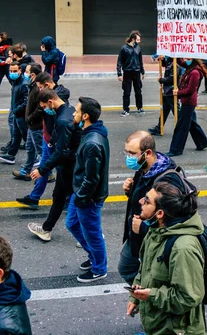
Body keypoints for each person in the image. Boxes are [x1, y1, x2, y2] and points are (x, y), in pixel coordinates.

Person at [126, 181, 206, 335]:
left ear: (160, 213)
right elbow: (145, 268)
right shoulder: (155, 231)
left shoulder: (183, 249)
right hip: (157, 323)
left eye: (147, 201)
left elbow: (188, 297)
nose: (140, 201)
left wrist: (151, 295)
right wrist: (135, 296)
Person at [118, 131, 177, 285]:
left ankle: (147, 298)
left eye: (132, 153)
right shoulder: (144, 169)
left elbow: (171, 221)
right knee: (127, 268)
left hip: (151, 240)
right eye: (126, 152)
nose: (128, 157)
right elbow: (141, 201)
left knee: (141, 274)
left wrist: (143, 228)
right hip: (136, 237)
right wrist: (130, 192)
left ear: (148, 153)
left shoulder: (165, 182)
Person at [27, 89, 81, 241]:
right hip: (67, 165)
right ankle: (46, 229)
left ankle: (89, 235)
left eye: (44, 107)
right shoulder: (67, 110)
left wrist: (42, 170)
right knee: (58, 197)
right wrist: (52, 142)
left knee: (76, 201)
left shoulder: (63, 120)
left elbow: (62, 151)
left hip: (69, 166)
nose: (45, 110)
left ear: (50, 102)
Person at [66, 97, 109, 283]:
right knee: (72, 223)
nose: (73, 114)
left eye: (76, 112)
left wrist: (81, 197)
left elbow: (92, 178)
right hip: (81, 192)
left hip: (88, 197)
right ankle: (93, 256)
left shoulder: (92, 143)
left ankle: (99, 267)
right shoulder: (89, 132)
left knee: (92, 232)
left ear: (85, 116)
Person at [15, 72, 68, 209]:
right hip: (47, 139)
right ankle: (34, 197)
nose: (38, 89)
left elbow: (58, 125)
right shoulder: (48, 97)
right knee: (44, 168)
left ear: (47, 85)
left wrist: (51, 141)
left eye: (39, 87)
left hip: (52, 141)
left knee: (59, 169)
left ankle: (67, 196)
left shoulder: (56, 100)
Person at [167, 59, 207, 157]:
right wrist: (175, 54)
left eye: (188, 58)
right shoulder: (191, 67)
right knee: (191, 123)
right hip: (186, 101)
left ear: (193, 60)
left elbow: (190, 90)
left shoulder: (195, 72)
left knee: (182, 126)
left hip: (189, 102)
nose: (185, 60)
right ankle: (202, 143)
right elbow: (181, 62)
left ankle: (176, 149)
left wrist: (178, 93)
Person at [13, 63, 43, 181]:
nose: (24, 73)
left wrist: (30, 117)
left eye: (26, 71)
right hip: (31, 125)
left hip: (36, 125)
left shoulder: (37, 89)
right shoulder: (32, 86)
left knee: (41, 150)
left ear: (33, 75)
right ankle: (26, 171)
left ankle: (49, 172)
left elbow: (40, 108)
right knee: (30, 148)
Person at [0, 62, 29, 165]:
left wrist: (16, 110)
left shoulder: (23, 84)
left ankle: (37, 157)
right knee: (16, 136)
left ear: (20, 71)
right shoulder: (15, 82)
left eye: (15, 71)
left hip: (21, 116)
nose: (12, 73)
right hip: (17, 114)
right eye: (10, 71)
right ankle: (11, 155)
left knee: (26, 137)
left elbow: (26, 102)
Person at [117, 30, 145, 117]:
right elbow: (119, 61)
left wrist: (142, 72)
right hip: (127, 73)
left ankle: (139, 107)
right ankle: (125, 109)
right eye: (138, 39)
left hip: (136, 72)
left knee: (138, 91)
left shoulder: (138, 48)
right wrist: (119, 74)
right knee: (126, 92)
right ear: (133, 39)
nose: (139, 41)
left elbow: (140, 61)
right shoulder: (124, 49)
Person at [148, 55, 178, 136]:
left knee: (177, 111)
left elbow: (172, 79)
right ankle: (159, 127)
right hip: (167, 91)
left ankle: (184, 127)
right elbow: (166, 65)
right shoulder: (170, 60)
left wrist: (161, 80)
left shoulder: (176, 63)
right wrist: (163, 60)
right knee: (164, 110)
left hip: (171, 91)